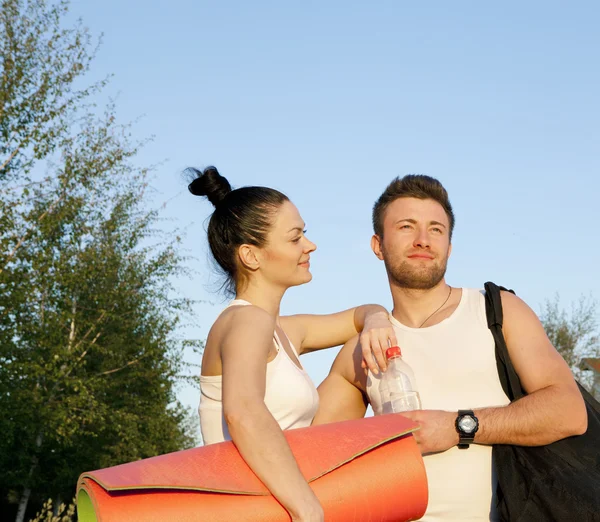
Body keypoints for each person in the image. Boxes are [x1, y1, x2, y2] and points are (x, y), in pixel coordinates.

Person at [313, 174, 588, 521]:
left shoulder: (497, 311)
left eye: (436, 230)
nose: (423, 240)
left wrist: (458, 426)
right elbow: (311, 456)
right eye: (406, 227)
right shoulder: (363, 350)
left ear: (450, 246)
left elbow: (568, 411)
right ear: (377, 245)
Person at [188, 166, 396, 522]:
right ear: (251, 256)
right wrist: (308, 508)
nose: (309, 245)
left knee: (358, 348)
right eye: (295, 237)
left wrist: (377, 319)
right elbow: (243, 413)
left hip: (280, 498)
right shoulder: (245, 321)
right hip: (257, 505)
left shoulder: (280, 330)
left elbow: (360, 314)